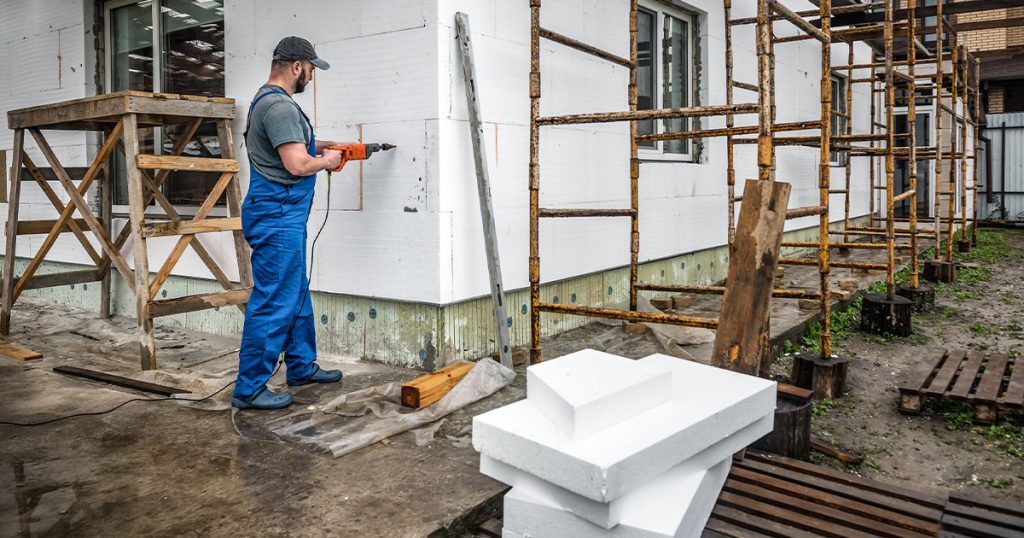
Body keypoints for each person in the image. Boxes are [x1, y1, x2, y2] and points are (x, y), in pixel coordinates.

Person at [232, 36, 345, 410]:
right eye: (311, 69)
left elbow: (295, 146)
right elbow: (296, 164)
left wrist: (334, 147)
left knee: (295, 290)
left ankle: (300, 365)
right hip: (276, 215)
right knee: (275, 298)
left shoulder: (270, 103)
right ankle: (249, 388)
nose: (311, 76)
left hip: (282, 214)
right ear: (297, 66)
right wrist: (327, 162)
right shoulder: (279, 106)